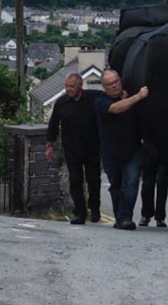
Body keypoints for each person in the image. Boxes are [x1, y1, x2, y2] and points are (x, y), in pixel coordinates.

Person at [45, 72, 101, 224]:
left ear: (80, 85)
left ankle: (95, 209)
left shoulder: (93, 97)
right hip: (72, 149)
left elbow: (109, 98)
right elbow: (53, 124)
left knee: (93, 180)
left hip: (92, 148)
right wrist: (50, 144)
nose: (68, 89)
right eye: (66, 86)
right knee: (75, 182)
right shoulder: (61, 102)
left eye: (72, 86)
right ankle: (80, 214)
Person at [95, 69, 147, 230]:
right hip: (111, 152)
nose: (115, 86)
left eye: (117, 81)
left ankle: (125, 217)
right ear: (104, 87)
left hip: (133, 149)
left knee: (130, 184)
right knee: (116, 185)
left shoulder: (129, 96)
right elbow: (116, 108)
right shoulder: (100, 101)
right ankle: (119, 217)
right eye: (110, 84)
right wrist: (138, 96)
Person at [140, 142, 168, 227]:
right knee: (147, 184)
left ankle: (160, 217)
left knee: (162, 181)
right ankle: (146, 214)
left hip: (165, 151)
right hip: (148, 150)